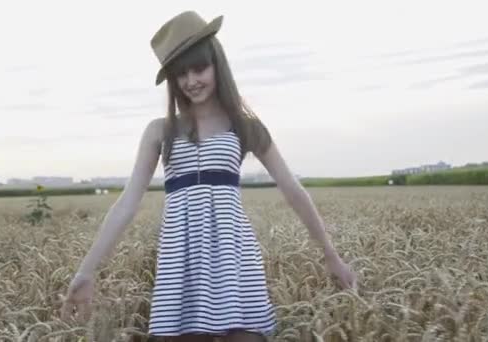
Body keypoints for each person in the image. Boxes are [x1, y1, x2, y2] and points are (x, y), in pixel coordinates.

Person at [61, 10, 357, 342]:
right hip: (180, 262)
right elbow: (127, 203)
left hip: (235, 259)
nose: (191, 81)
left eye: (199, 68)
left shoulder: (247, 127)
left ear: (218, 63)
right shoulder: (160, 131)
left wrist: (330, 254)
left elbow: (293, 190)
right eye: (181, 74)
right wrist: (85, 271)